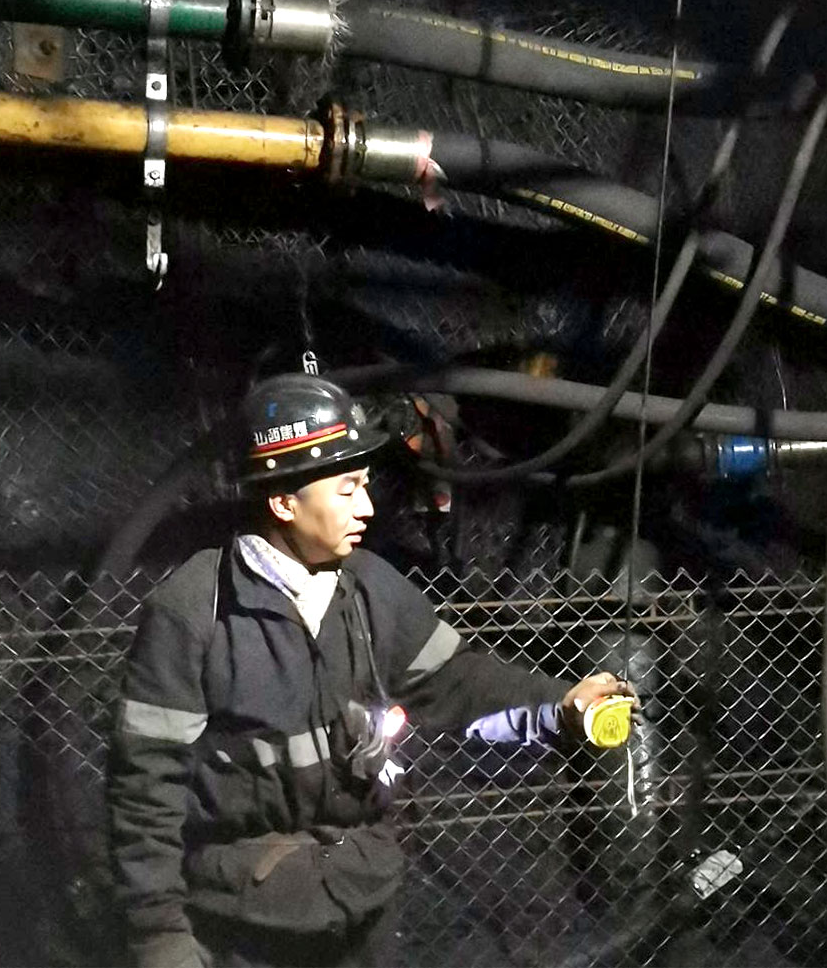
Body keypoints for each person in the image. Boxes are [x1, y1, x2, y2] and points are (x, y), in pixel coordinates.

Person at [108, 374, 636, 968]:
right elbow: (146, 790)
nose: (367, 507)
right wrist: (160, 939)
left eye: (364, 485)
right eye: (347, 490)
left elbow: (453, 681)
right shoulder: (194, 610)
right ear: (284, 503)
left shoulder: (369, 588)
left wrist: (562, 703)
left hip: (360, 900)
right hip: (245, 923)